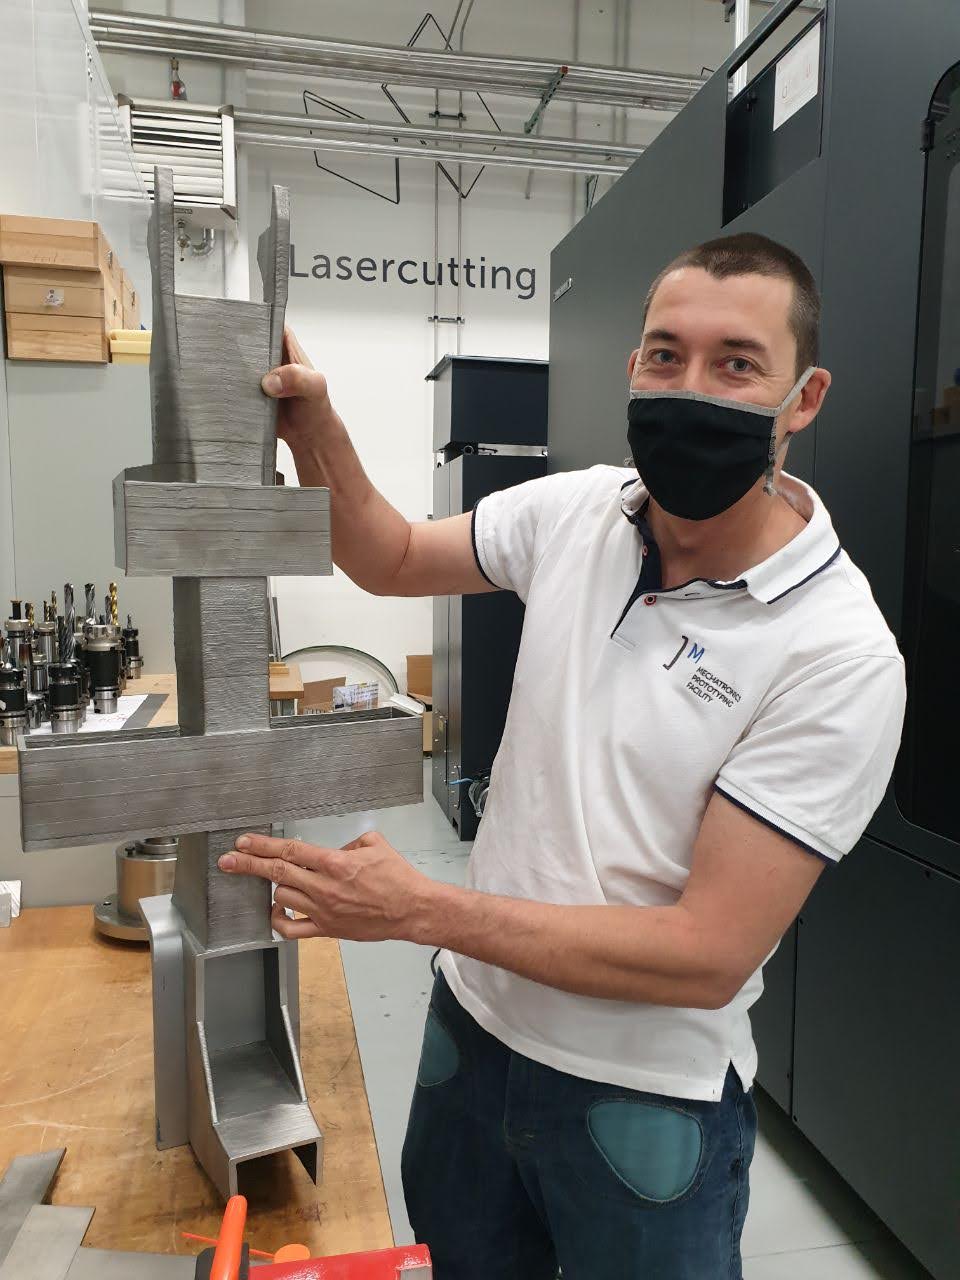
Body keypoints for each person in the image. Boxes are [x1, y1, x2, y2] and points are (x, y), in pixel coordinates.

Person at [218, 233, 906, 1279]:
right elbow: (390, 556)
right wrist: (319, 429)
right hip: (470, 1038)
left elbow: (706, 951)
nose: (691, 387)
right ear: (634, 366)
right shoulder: (579, 510)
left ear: (801, 398)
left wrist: (420, 909)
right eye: (667, 355)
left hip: (644, 1104)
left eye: (736, 363)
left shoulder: (836, 651)